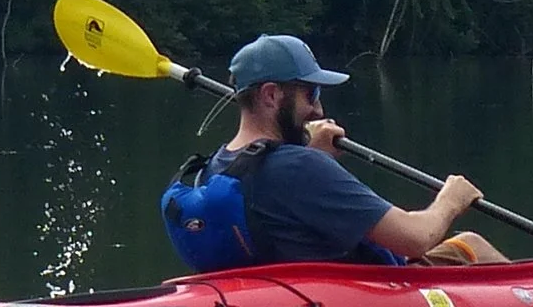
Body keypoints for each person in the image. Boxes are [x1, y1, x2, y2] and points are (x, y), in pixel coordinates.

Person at [177, 33, 509, 268]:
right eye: (311, 93)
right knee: (472, 244)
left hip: (292, 294)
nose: (318, 109)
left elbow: (281, 207)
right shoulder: (300, 167)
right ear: (271, 95)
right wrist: (451, 199)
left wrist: (314, 154)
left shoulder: (216, 167)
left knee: (465, 246)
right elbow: (414, 239)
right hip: (364, 296)